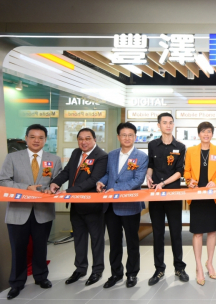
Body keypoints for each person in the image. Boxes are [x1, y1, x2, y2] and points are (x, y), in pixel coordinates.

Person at [0, 124, 62, 300]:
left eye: (41, 137)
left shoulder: (54, 159)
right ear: (26, 138)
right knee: (18, 248)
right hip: (18, 212)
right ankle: (17, 282)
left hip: (43, 211)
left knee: (41, 247)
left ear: (45, 140)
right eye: (33, 137)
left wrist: (53, 188)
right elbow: (3, 181)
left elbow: (57, 181)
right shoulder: (12, 158)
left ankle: (41, 276)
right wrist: (26, 188)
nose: (37, 140)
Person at [49, 128, 108, 286]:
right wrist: (55, 182)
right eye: (81, 139)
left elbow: (93, 180)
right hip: (76, 205)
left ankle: (97, 270)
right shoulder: (76, 153)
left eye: (88, 138)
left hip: (93, 206)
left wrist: (68, 191)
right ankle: (80, 268)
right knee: (79, 239)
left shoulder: (101, 156)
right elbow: (67, 172)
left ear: (94, 139)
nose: (84, 142)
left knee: (96, 240)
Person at [96, 122, 148, 288]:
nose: (127, 138)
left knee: (132, 242)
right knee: (114, 243)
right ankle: (115, 273)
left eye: (130, 135)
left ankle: (132, 274)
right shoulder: (111, 154)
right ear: (118, 137)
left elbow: (137, 180)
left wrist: (115, 189)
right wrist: (100, 182)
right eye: (124, 135)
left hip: (130, 205)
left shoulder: (141, 156)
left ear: (135, 137)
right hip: (111, 206)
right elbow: (108, 175)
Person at [145, 112, 189, 285]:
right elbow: (150, 166)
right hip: (155, 195)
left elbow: (180, 172)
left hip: (173, 193)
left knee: (176, 232)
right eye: (165, 123)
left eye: (171, 122)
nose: (168, 125)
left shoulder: (180, 146)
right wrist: (148, 177)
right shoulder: (152, 145)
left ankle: (180, 267)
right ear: (159, 125)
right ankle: (159, 269)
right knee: (158, 233)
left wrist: (163, 183)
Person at [184, 121, 216, 286]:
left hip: (212, 196)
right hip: (196, 196)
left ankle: (209, 262)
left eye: (209, 131)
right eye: (203, 131)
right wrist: (190, 180)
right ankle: (198, 266)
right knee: (197, 233)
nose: (206, 134)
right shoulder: (191, 151)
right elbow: (186, 171)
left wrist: (215, 183)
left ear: (212, 134)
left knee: (212, 231)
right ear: (199, 134)